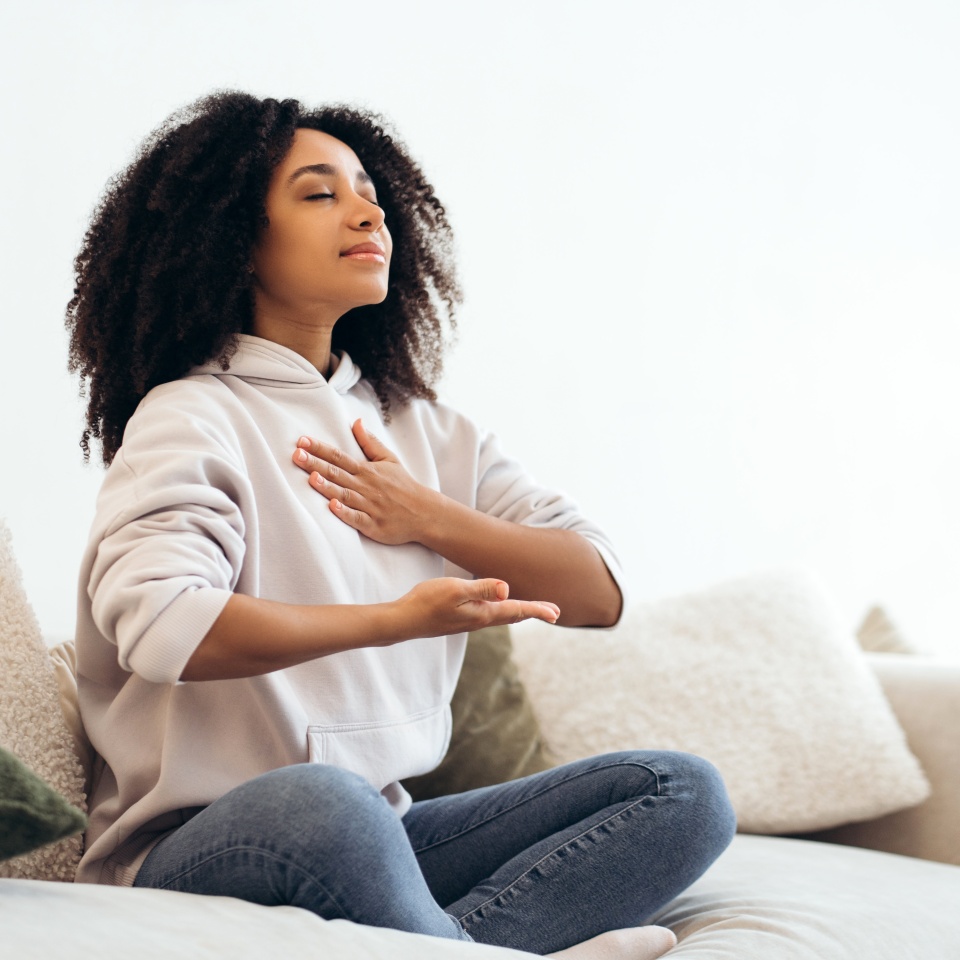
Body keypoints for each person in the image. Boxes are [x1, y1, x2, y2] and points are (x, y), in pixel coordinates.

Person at [66, 92, 735, 960]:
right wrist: (396, 619)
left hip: (380, 834)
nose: (366, 208)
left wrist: (430, 516)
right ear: (233, 236)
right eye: (317, 193)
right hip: (204, 842)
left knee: (681, 791)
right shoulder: (189, 416)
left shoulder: (427, 430)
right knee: (325, 801)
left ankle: (457, 947)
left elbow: (597, 590)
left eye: (368, 189)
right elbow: (164, 629)